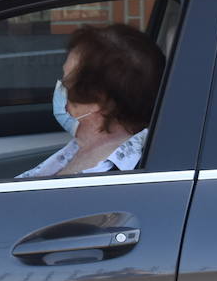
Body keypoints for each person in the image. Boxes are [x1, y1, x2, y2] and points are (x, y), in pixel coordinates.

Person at [18, 23, 164, 179]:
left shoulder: (117, 173)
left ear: (97, 99)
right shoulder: (85, 146)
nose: (60, 88)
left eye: (66, 82)